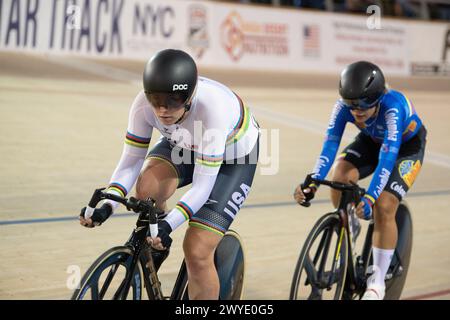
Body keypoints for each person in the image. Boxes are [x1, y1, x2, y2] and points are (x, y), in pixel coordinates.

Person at [79, 49, 260, 300]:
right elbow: (131, 161)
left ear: (189, 96)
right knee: (146, 189)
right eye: (155, 99)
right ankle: (156, 249)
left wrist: (168, 225)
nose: (163, 110)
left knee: (196, 250)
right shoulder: (142, 106)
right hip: (186, 144)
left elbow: (202, 186)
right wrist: (108, 206)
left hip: (233, 160)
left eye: (173, 100)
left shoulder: (212, 110)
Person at [293, 61, 427, 300]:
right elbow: (330, 145)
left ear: (378, 97)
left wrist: (371, 196)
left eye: (364, 105)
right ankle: (350, 224)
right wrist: (313, 180)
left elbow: (388, 158)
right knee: (341, 175)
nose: (357, 111)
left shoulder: (392, 107)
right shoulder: (344, 106)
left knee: (384, 206)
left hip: (405, 148)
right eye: (351, 105)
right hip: (372, 141)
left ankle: (377, 283)